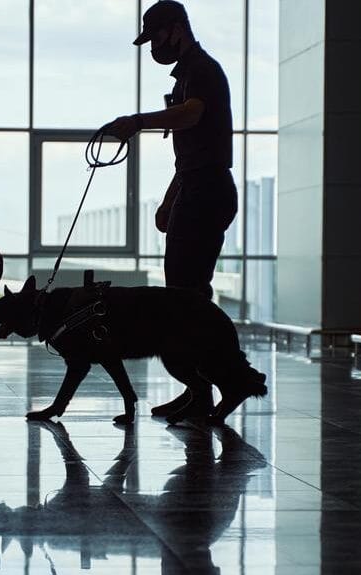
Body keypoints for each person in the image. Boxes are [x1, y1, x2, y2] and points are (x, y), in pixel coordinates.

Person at [105, 0, 237, 419]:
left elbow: (192, 116)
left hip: (207, 191)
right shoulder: (187, 74)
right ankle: (199, 389)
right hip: (197, 188)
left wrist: (137, 121)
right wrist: (170, 199)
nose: (153, 48)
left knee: (187, 298)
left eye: (156, 37)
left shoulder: (201, 70)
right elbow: (191, 157)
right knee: (185, 296)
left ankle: (207, 389)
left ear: (176, 29)